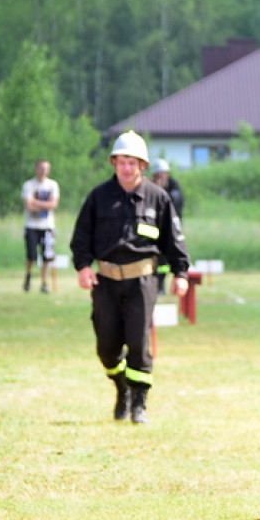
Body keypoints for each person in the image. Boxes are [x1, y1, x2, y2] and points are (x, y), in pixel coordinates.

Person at [70, 131, 191, 424]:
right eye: (122, 162)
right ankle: (121, 387)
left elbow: (174, 240)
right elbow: (81, 237)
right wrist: (83, 267)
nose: (126, 168)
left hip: (143, 281)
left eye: (132, 163)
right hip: (106, 281)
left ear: (142, 166)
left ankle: (139, 403)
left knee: (138, 342)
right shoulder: (98, 197)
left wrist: (181, 272)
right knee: (107, 347)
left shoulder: (158, 198)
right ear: (114, 162)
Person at [21, 159, 60, 294]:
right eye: (41, 168)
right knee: (31, 255)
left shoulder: (52, 185)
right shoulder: (29, 185)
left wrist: (35, 203)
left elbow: (53, 205)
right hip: (32, 225)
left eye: (46, 168)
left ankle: (44, 282)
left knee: (47, 256)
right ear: (36, 169)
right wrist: (44, 204)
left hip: (47, 226)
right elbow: (28, 205)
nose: (43, 171)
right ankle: (28, 275)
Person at [150, 158, 186, 292]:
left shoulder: (174, 187)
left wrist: (159, 190)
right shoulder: (149, 186)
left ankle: (161, 284)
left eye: (163, 174)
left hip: (169, 229)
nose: (162, 177)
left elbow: (170, 204)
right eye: (159, 174)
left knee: (165, 260)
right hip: (152, 229)